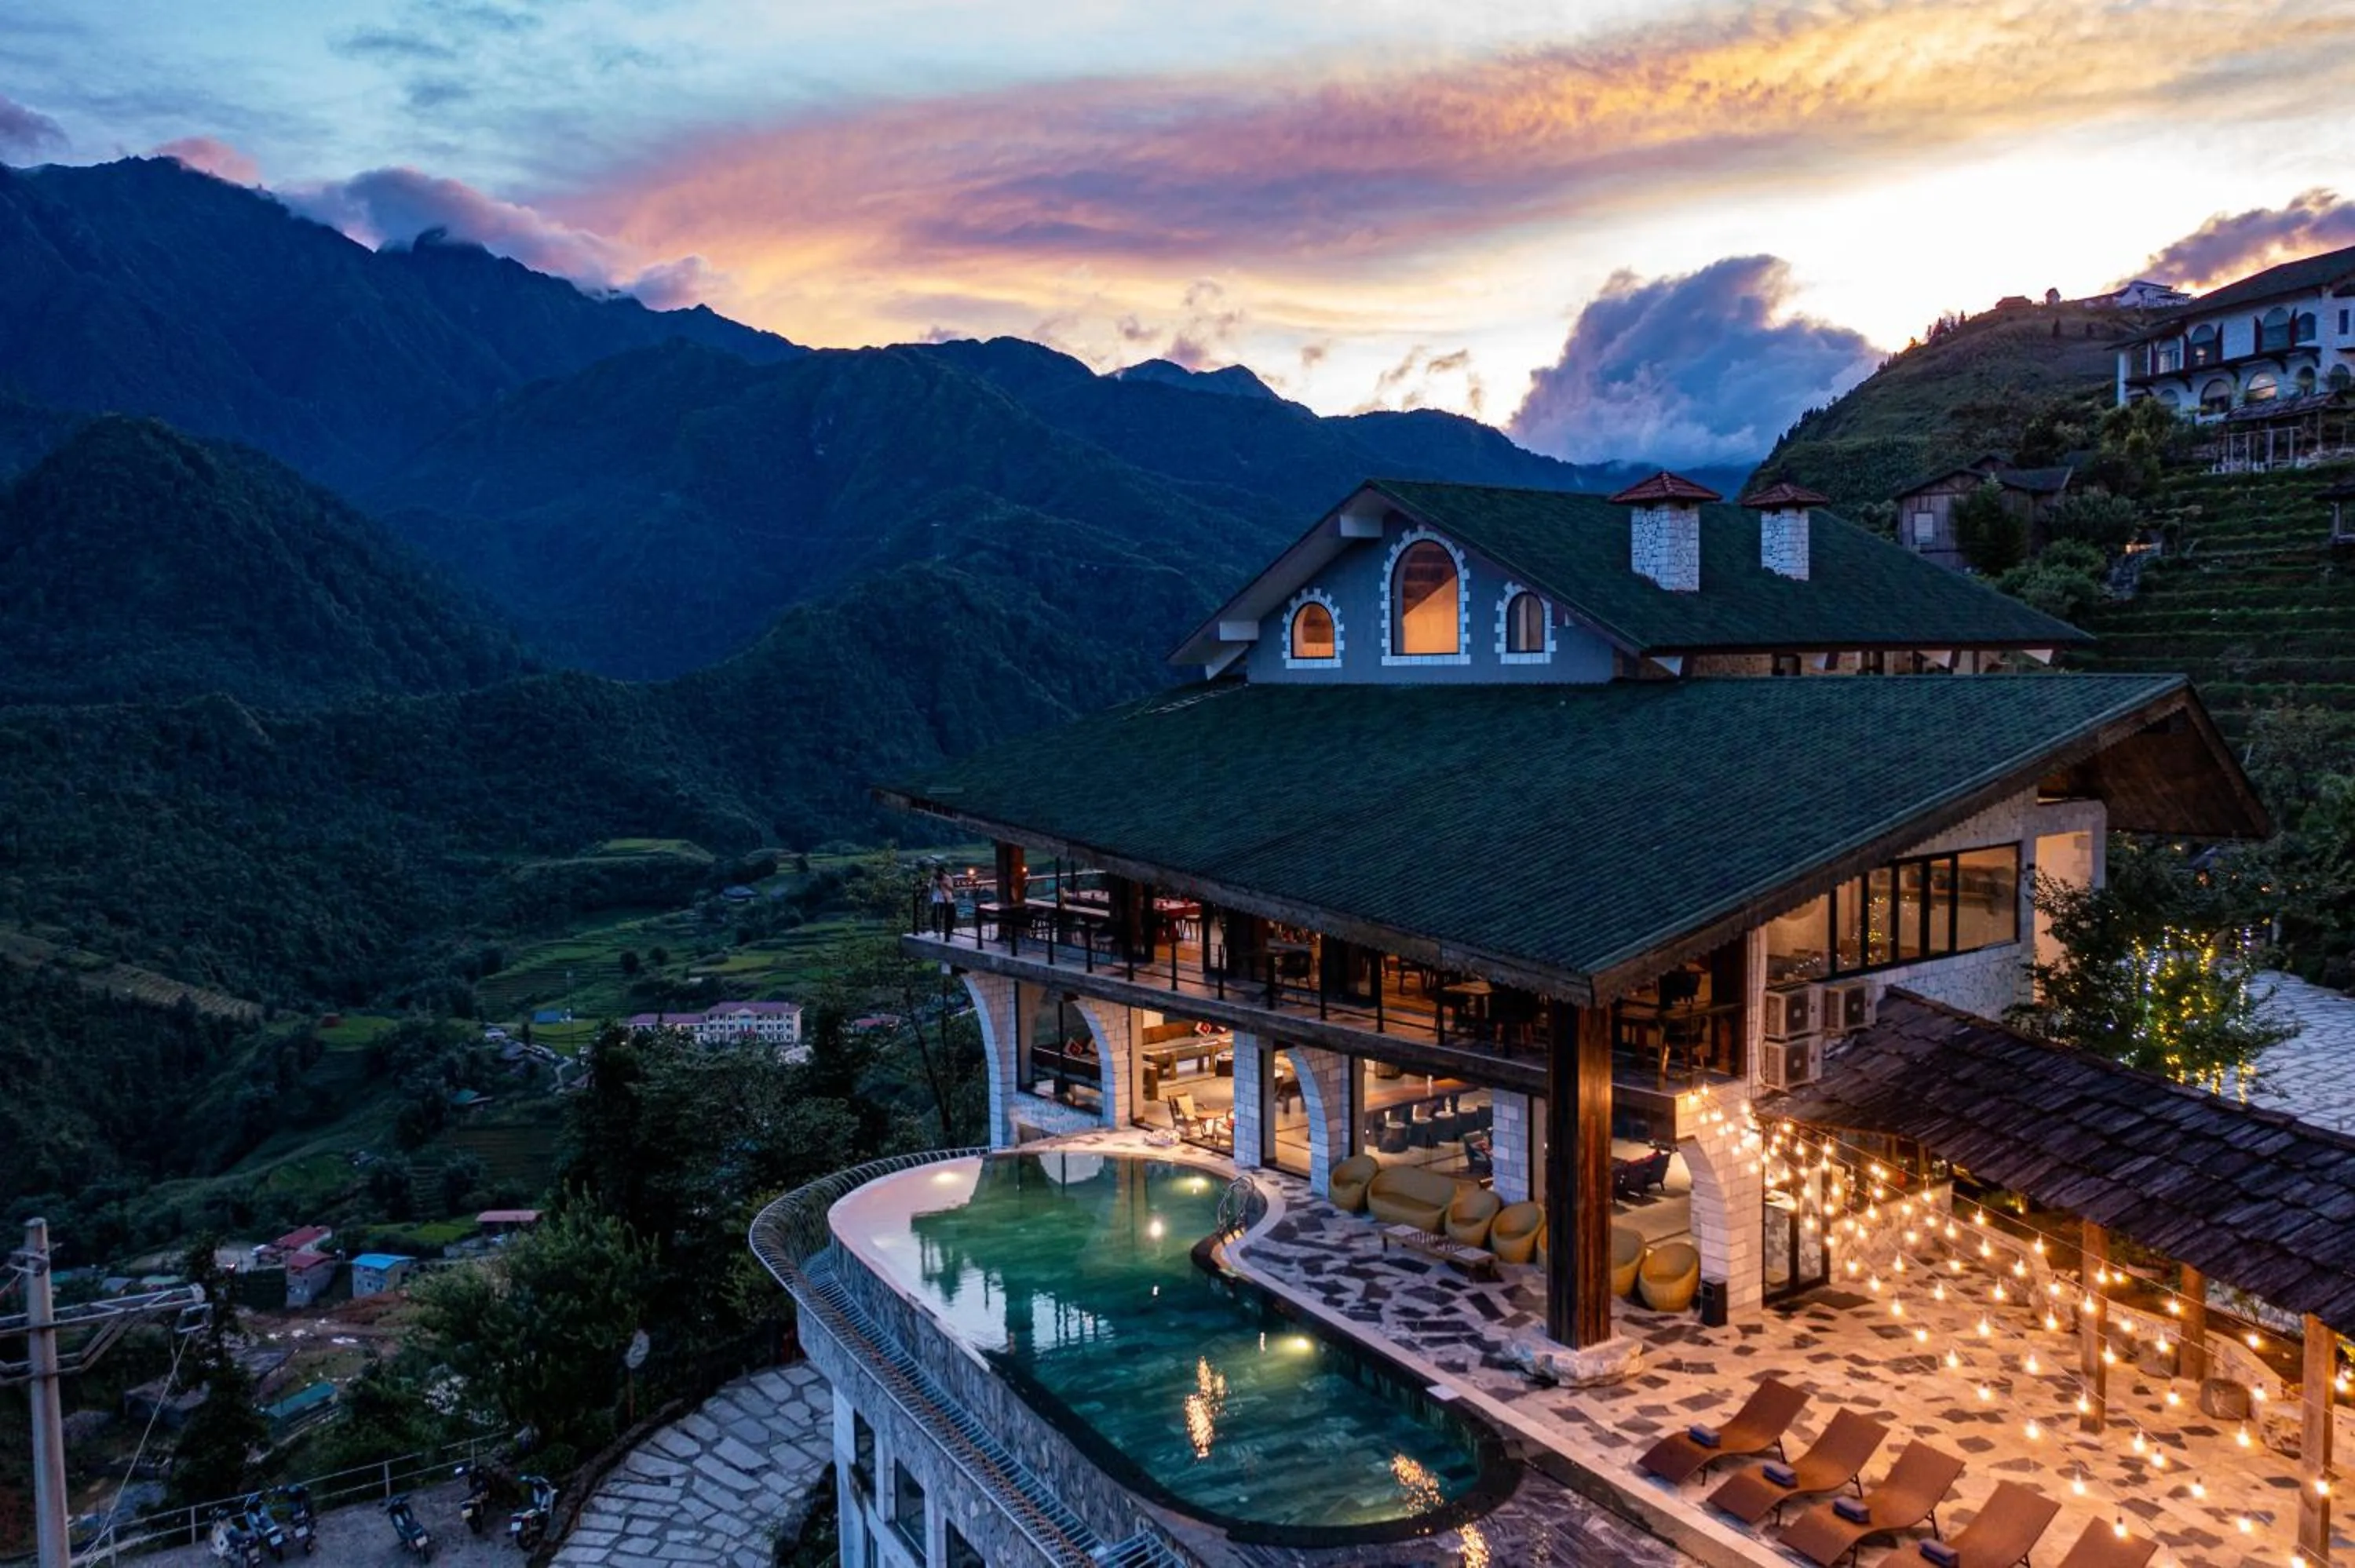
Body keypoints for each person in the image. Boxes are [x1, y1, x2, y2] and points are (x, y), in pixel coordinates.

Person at [929, 869, 958, 939]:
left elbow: (951, 889)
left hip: (947, 898)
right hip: (937, 899)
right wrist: (930, 896)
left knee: (950, 915)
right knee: (935, 916)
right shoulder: (933, 879)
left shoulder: (947, 878)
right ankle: (936, 931)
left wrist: (943, 884)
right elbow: (930, 888)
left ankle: (949, 931)